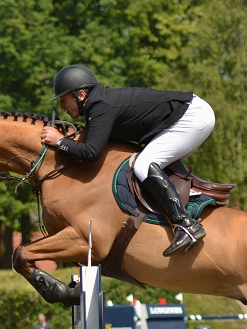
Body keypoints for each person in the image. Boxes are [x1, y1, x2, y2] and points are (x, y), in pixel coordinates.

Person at [40, 64, 215, 255]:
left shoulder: (100, 106)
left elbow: (91, 153)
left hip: (192, 117)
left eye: (64, 100)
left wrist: (59, 142)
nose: (62, 106)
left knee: (144, 165)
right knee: (147, 161)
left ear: (80, 95)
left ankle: (186, 225)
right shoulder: (98, 104)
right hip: (188, 115)